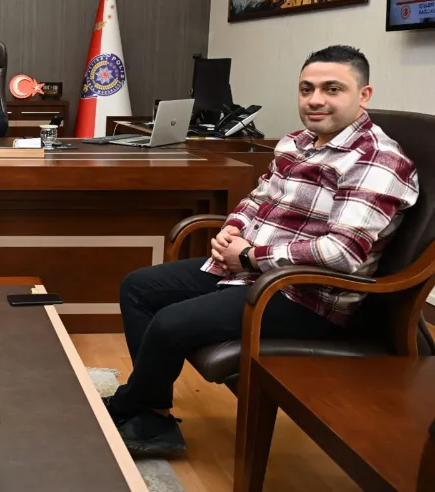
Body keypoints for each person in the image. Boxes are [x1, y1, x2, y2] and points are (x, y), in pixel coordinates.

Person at [106, 45, 419, 456]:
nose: (315, 100)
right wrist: (232, 228)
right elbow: (257, 199)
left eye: (332, 89)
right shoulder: (296, 143)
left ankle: (131, 406)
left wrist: (250, 256)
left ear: (364, 95)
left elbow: (341, 253)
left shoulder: (376, 160)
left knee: (170, 323)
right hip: (255, 273)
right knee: (138, 287)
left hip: (307, 295)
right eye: (306, 89)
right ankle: (152, 413)